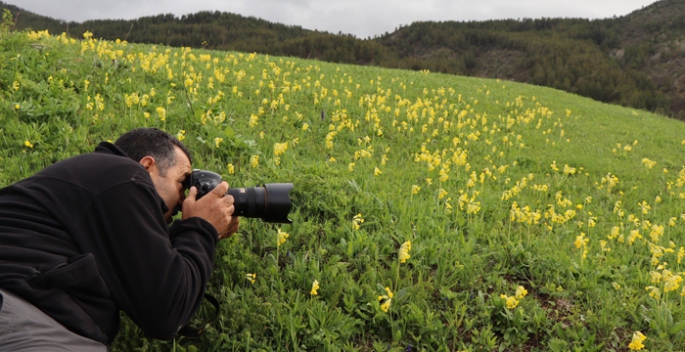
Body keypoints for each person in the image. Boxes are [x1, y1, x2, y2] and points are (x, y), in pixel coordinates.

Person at [0, 127, 238, 350]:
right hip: (24, 319)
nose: (184, 198)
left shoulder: (98, 191)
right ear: (146, 166)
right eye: (182, 181)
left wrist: (197, 229)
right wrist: (202, 228)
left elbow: (153, 267)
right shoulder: (124, 174)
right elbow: (166, 310)